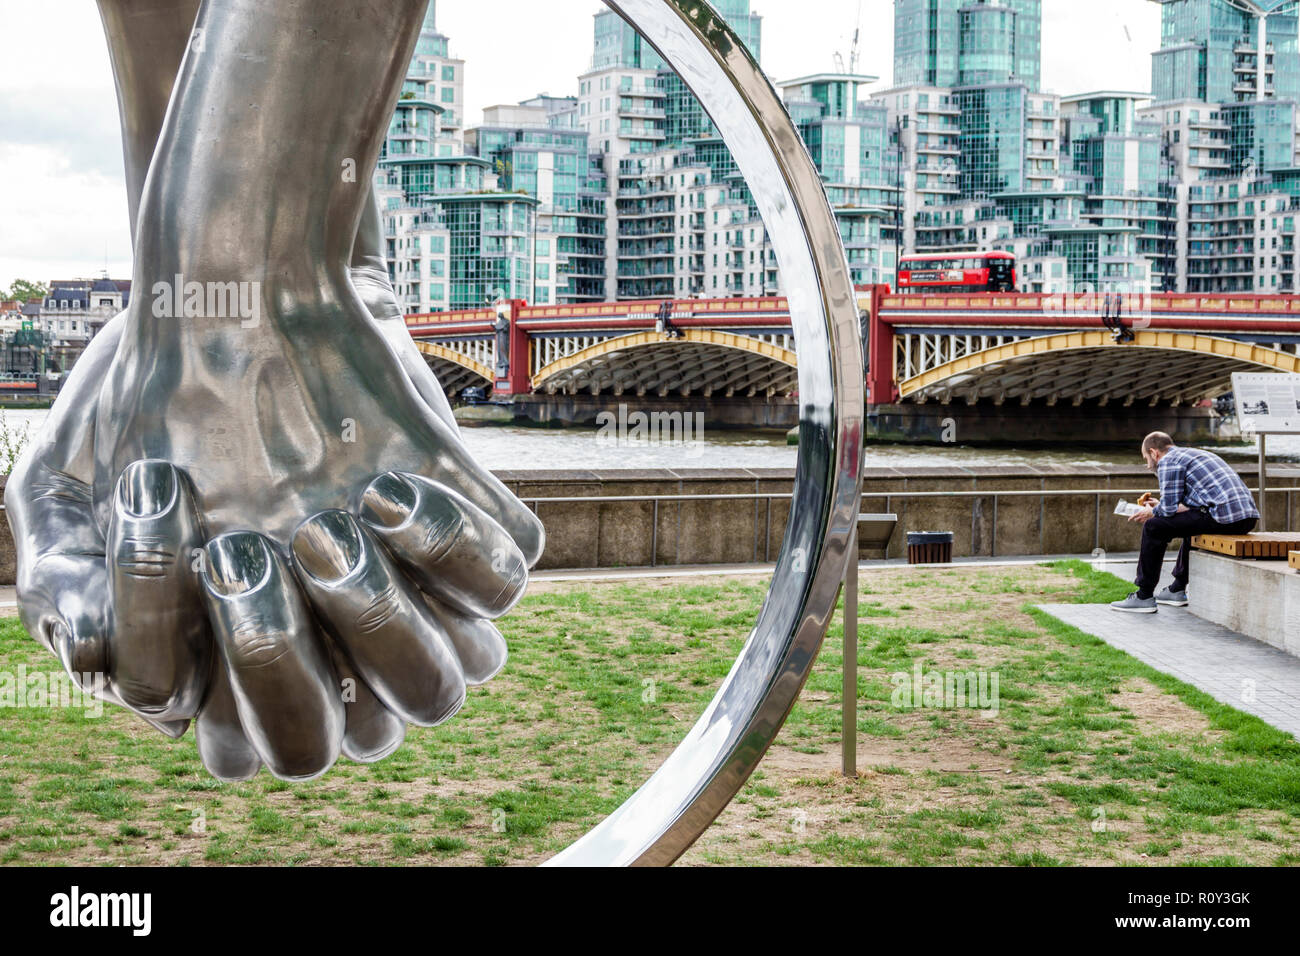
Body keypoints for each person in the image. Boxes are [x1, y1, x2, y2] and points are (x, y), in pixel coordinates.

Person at [1110, 432, 1259, 613]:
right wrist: (1159, 506)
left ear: (1154, 453)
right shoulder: (1194, 454)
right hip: (1246, 518)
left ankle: (1144, 595)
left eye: (1146, 459)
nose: (1148, 465)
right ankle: (1177, 589)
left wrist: (1152, 511)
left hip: (1223, 517)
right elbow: (1191, 505)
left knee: (1153, 527)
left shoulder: (1167, 461)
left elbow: (1167, 511)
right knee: (1191, 526)